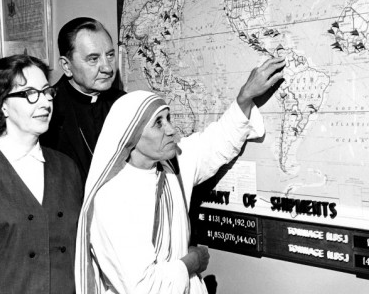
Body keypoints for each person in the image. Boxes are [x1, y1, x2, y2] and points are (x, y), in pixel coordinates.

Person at [75, 56, 286, 294]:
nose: (171, 129)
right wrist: (189, 264)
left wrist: (245, 97)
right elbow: (142, 288)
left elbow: (216, 142)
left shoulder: (171, 167)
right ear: (131, 136)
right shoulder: (111, 199)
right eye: (158, 123)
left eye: (168, 118)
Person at [0, 55, 83, 294]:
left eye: (47, 91)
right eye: (30, 93)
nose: (45, 102)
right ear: (2, 104)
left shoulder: (67, 168)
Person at [40, 17, 125, 183]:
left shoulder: (124, 103)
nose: (107, 68)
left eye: (110, 55)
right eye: (93, 59)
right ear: (66, 66)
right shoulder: (48, 111)